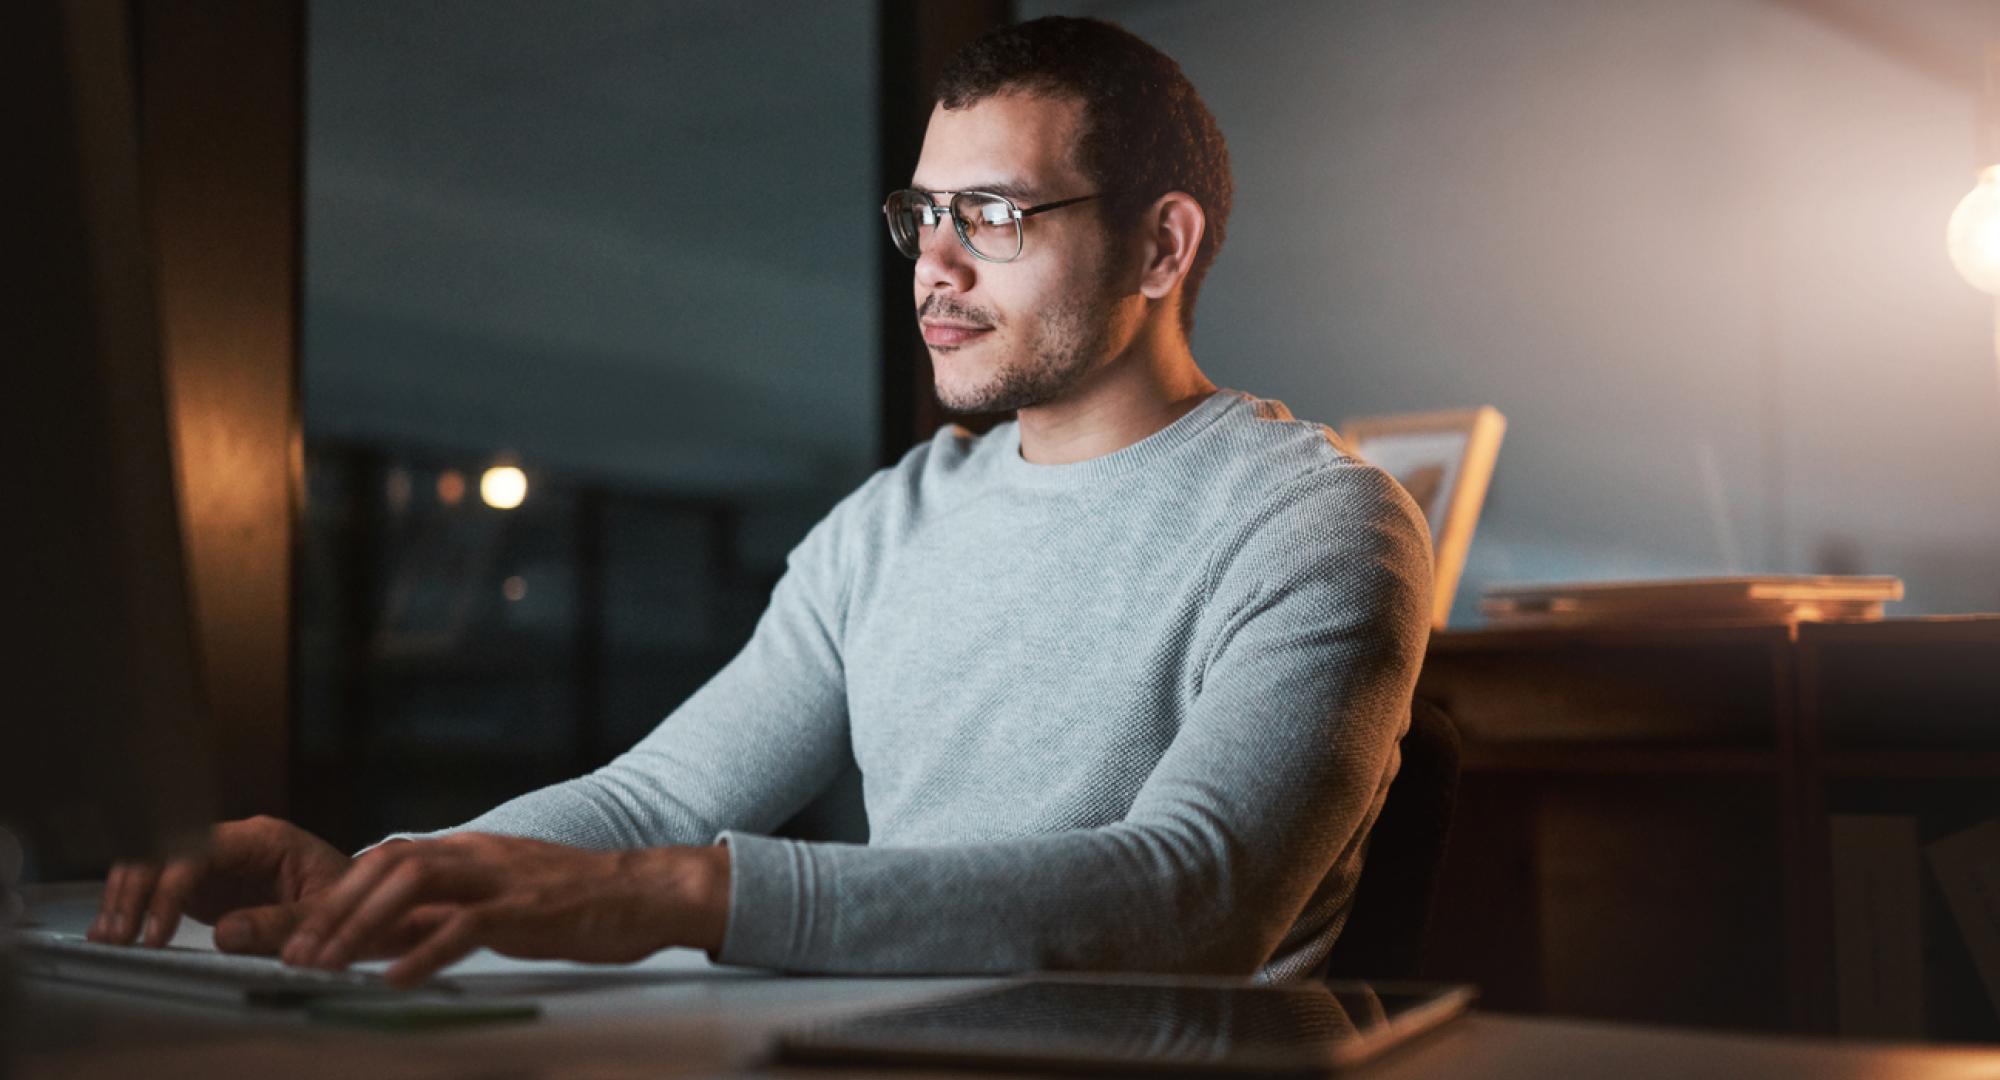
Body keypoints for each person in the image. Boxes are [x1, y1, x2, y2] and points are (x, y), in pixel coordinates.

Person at [90, 16, 1432, 987]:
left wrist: (684, 899)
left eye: (996, 217)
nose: (936, 269)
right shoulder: (890, 521)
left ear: (1162, 242)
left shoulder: (1321, 522)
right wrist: (376, 874)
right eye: (922, 217)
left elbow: (1194, 895)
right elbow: (656, 801)